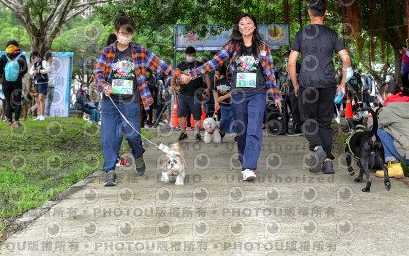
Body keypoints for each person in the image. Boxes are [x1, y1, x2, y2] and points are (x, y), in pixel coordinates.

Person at [93, 16, 188, 187]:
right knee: (109, 137)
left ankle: (138, 154)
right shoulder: (106, 52)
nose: (126, 36)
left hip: (131, 101)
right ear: (116, 33)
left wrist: (179, 74)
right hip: (110, 102)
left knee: (132, 135)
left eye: (129, 34)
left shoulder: (140, 51)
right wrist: (104, 84)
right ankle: (110, 171)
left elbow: (161, 65)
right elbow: (98, 72)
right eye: (122, 33)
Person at [187, 13, 283, 181]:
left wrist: (275, 95)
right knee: (242, 130)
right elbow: (214, 63)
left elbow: (270, 73)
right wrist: (193, 74)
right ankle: (244, 159)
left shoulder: (262, 47)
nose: (245, 26)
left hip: (257, 94)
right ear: (239, 28)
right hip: (238, 94)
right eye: (242, 23)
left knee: (254, 130)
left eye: (249, 23)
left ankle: (249, 167)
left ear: (254, 26)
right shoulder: (232, 46)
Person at [288, 0, 352, 175]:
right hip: (328, 84)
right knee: (324, 123)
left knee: (307, 120)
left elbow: (292, 62)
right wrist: (343, 84)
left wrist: (295, 83)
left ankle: (317, 148)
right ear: (325, 13)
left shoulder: (301, 33)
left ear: (309, 13)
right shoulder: (332, 34)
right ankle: (329, 162)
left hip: (307, 84)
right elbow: (346, 59)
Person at [174, 46, 211, 142]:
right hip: (183, 94)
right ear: (185, 55)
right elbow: (177, 78)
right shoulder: (180, 65)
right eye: (190, 55)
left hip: (196, 94)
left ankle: (198, 134)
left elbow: (206, 75)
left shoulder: (199, 65)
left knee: (197, 115)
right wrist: (176, 86)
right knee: (181, 114)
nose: (192, 57)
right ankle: (183, 133)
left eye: (194, 55)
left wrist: (208, 88)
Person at [0, 41, 28, 126]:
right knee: (17, 101)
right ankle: (17, 121)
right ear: (17, 46)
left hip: (6, 82)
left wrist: (5, 74)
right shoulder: (21, 56)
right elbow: (25, 69)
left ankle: (9, 121)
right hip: (17, 82)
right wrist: (20, 74)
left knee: (7, 102)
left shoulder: (4, 56)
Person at [281, 50, 302, 136]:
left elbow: (296, 77)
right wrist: (287, 83)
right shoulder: (290, 66)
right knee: (293, 110)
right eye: (285, 56)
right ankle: (296, 127)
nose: (286, 58)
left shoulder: (296, 65)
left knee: (296, 110)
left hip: (296, 90)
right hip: (292, 90)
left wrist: (290, 83)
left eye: (287, 56)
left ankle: (297, 128)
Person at [213, 65, 234, 139]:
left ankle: (237, 135)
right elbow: (215, 91)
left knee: (234, 119)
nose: (217, 76)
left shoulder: (230, 80)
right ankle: (222, 133)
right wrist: (216, 102)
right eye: (216, 74)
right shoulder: (217, 81)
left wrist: (223, 97)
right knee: (223, 120)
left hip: (232, 103)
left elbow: (234, 91)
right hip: (223, 105)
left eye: (218, 74)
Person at [31, 51, 52, 121]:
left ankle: (42, 115)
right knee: (36, 99)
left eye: (35, 57)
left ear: (38, 55)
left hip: (43, 82)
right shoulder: (35, 64)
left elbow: (48, 69)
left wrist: (39, 71)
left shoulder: (44, 62)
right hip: (36, 83)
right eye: (33, 58)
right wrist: (33, 73)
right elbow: (30, 71)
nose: (34, 59)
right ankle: (39, 115)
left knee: (41, 98)